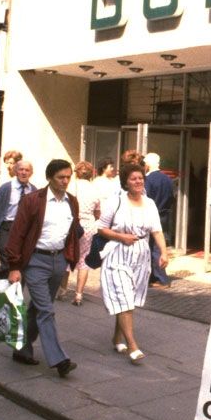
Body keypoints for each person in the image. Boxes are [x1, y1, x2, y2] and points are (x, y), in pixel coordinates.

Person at [4, 159, 81, 378]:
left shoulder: (71, 202)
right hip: (36, 260)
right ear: (49, 178)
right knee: (46, 310)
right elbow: (17, 234)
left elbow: (72, 231)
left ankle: (21, 350)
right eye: (60, 177)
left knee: (37, 309)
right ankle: (59, 359)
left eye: (68, 177)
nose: (65, 181)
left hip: (58, 261)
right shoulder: (33, 201)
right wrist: (14, 266)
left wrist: (70, 256)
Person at [97, 162, 169, 363]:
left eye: (140, 178)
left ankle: (116, 337)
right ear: (125, 182)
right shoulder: (116, 201)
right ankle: (132, 346)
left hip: (140, 256)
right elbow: (101, 228)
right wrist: (121, 237)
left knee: (129, 300)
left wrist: (163, 252)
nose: (138, 182)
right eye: (133, 179)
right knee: (124, 297)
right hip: (118, 253)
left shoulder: (150, 203)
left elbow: (157, 230)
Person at [0, 160, 36, 294]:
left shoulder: (33, 190)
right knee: (8, 263)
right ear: (16, 171)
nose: (23, 172)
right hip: (6, 229)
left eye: (27, 170)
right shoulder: (6, 188)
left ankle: (14, 294)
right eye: (21, 169)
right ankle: (8, 293)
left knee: (21, 264)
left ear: (31, 173)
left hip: (24, 231)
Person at [67, 161, 100, 306]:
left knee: (67, 256)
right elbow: (98, 211)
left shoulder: (72, 186)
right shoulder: (95, 189)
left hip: (73, 225)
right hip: (89, 226)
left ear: (76, 172)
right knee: (84, 260)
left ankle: (61, 290)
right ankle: (79, 294)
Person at [144, 152, 174, 288]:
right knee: (158, 245)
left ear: (148, 164)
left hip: (152, 214)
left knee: (153, 247)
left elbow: (146, 199)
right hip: (164, 214)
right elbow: (171, 197)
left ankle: (162, 279)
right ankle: (154, 276)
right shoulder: (168, 179)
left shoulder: (148, 180)